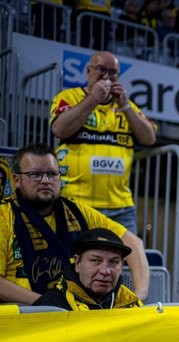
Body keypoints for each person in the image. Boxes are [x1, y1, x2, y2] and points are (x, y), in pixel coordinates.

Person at [0, 143, 148, 305]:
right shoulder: (4, 216)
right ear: (17, 180)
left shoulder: (76, 210)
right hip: (23, 317)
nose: (45, 180)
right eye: (35, 174)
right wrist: (50, 304)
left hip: (75, 315)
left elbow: (133, 242)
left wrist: (139, 295)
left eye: (52, 174)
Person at [50, 51, 158, 234]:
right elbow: (59, 129)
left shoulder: (126, 105)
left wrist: (125, 106)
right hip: (75, 202)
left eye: (113, 72)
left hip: (121, 207)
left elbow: (149, 138)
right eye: (101, 69)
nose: (107, 76)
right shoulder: (68, 97)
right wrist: (93, 99)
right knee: (73, 260)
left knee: (124, 260)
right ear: (88, 71)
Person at [33, 228, 142, 310]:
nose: (105, 271)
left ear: (122, 266)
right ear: (77, 263)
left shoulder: (132, 304)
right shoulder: (49, 307)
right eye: (95, 261)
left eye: (114, 262)